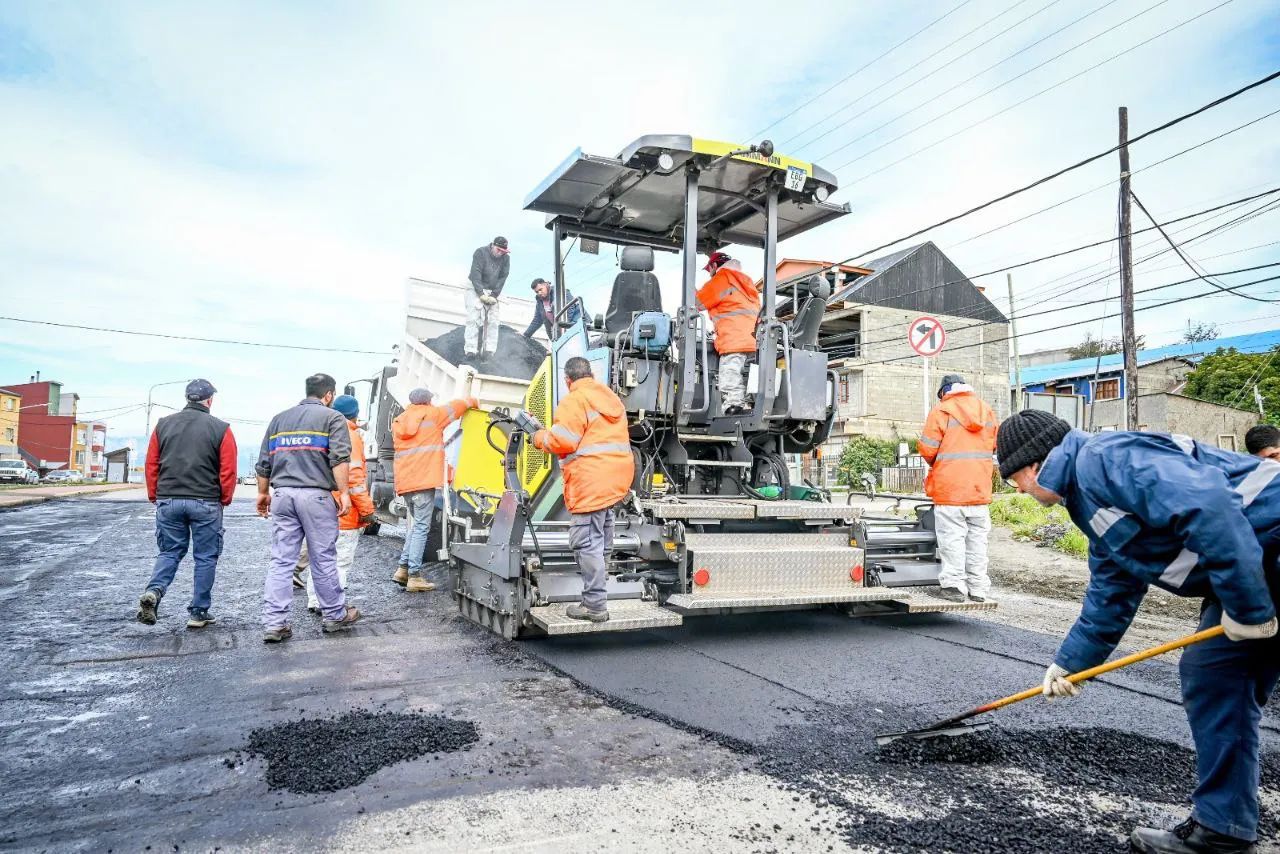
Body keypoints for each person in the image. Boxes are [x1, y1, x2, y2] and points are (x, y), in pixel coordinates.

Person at [996, 409, 1279, 854]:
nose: (1015, 488)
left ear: (1033, 465)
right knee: (1217, 678)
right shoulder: (1087, 500)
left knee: (1216, 676)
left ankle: (1223, 828)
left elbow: (1208, 504)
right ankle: (1223, 827)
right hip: (1257, 559)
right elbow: (1113, 589)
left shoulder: (1103, 459)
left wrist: (1248, 607)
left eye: (1012, 477)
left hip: (1269, 546)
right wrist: (1071, 663)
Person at [519, 356, 633, 623]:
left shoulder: (574, 399)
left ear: (567, 380)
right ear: (590, 374)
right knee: (602, 539)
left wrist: (537, 437)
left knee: (585, 542)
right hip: (614, 479)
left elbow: (563, 441)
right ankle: (598, 591)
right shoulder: (610, 398)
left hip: (590, 481)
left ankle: (594, 605)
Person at [255, 373, 360, 642]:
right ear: (328, 395)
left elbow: (264, 462)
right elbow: (338, 458)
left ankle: (275, 624)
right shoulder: (332, 418)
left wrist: (263, 493)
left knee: (281, 560)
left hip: (283, 496)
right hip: (316, 496)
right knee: (323, 557)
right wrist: (345, 493)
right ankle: (335, 615)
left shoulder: (279, 419)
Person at [136, 378, 237, 629]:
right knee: (205, 557)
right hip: (205, 501)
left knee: (169, 551)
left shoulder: (162, 425)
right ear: (210, 400)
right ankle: (198, 612)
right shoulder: (221, 428)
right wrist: (224, 498)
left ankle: (155, 591)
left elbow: (151, 464)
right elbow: (228, 469)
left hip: (169, 499)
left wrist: (154, 494)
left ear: (186, 398)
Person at [919, 373, 998, 603]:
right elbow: (994, 445)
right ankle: (978, 588)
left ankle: (953, 586)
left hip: (950, 492)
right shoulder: (986, 410)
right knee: (977, 542)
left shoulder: (941, 411)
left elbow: (927, 449)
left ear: (944, 392)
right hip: (979, 491)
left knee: (952, 540)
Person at [293, 394, 375, 612]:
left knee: (319, 557)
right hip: (343, 511)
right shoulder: (350, 435)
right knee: (340, 561)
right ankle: (332, 605)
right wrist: (367, 510)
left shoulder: (321, 430)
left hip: (319, 506)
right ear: (355, 415)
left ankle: (315, 600)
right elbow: (354, 477)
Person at [392, 387, 477, 592]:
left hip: (405, 484)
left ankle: (403, 569)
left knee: (416, 526)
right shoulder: (433, 414)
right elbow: (458, 406)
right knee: (422, 528)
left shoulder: (399, 421)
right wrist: (473, 400)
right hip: (423, 483)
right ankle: (414, 576)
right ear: (429, 401)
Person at [696, 251, 760, 415]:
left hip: (734, 338)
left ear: (714, 266)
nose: (709, 274)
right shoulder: (746, 281)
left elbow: (697, 303)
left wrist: (689, 287)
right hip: (754, 340)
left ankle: (734, 407)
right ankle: (750, 406)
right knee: (747, 376)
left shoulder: (722, 278)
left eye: (709, 270)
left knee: (729, 376)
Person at [466, 236, 511, 358]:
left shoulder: (506, 258)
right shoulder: (480, 252)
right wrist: (480, 294)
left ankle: (489, 351)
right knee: (473, 318)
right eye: (499, 250)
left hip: (492, 290)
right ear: (493, 246)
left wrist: (494, 295)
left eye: (504, 252)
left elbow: (503, 277)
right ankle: (470, 350)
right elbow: (476, 273)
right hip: (475, 287)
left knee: (493, 320)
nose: (501, 253)